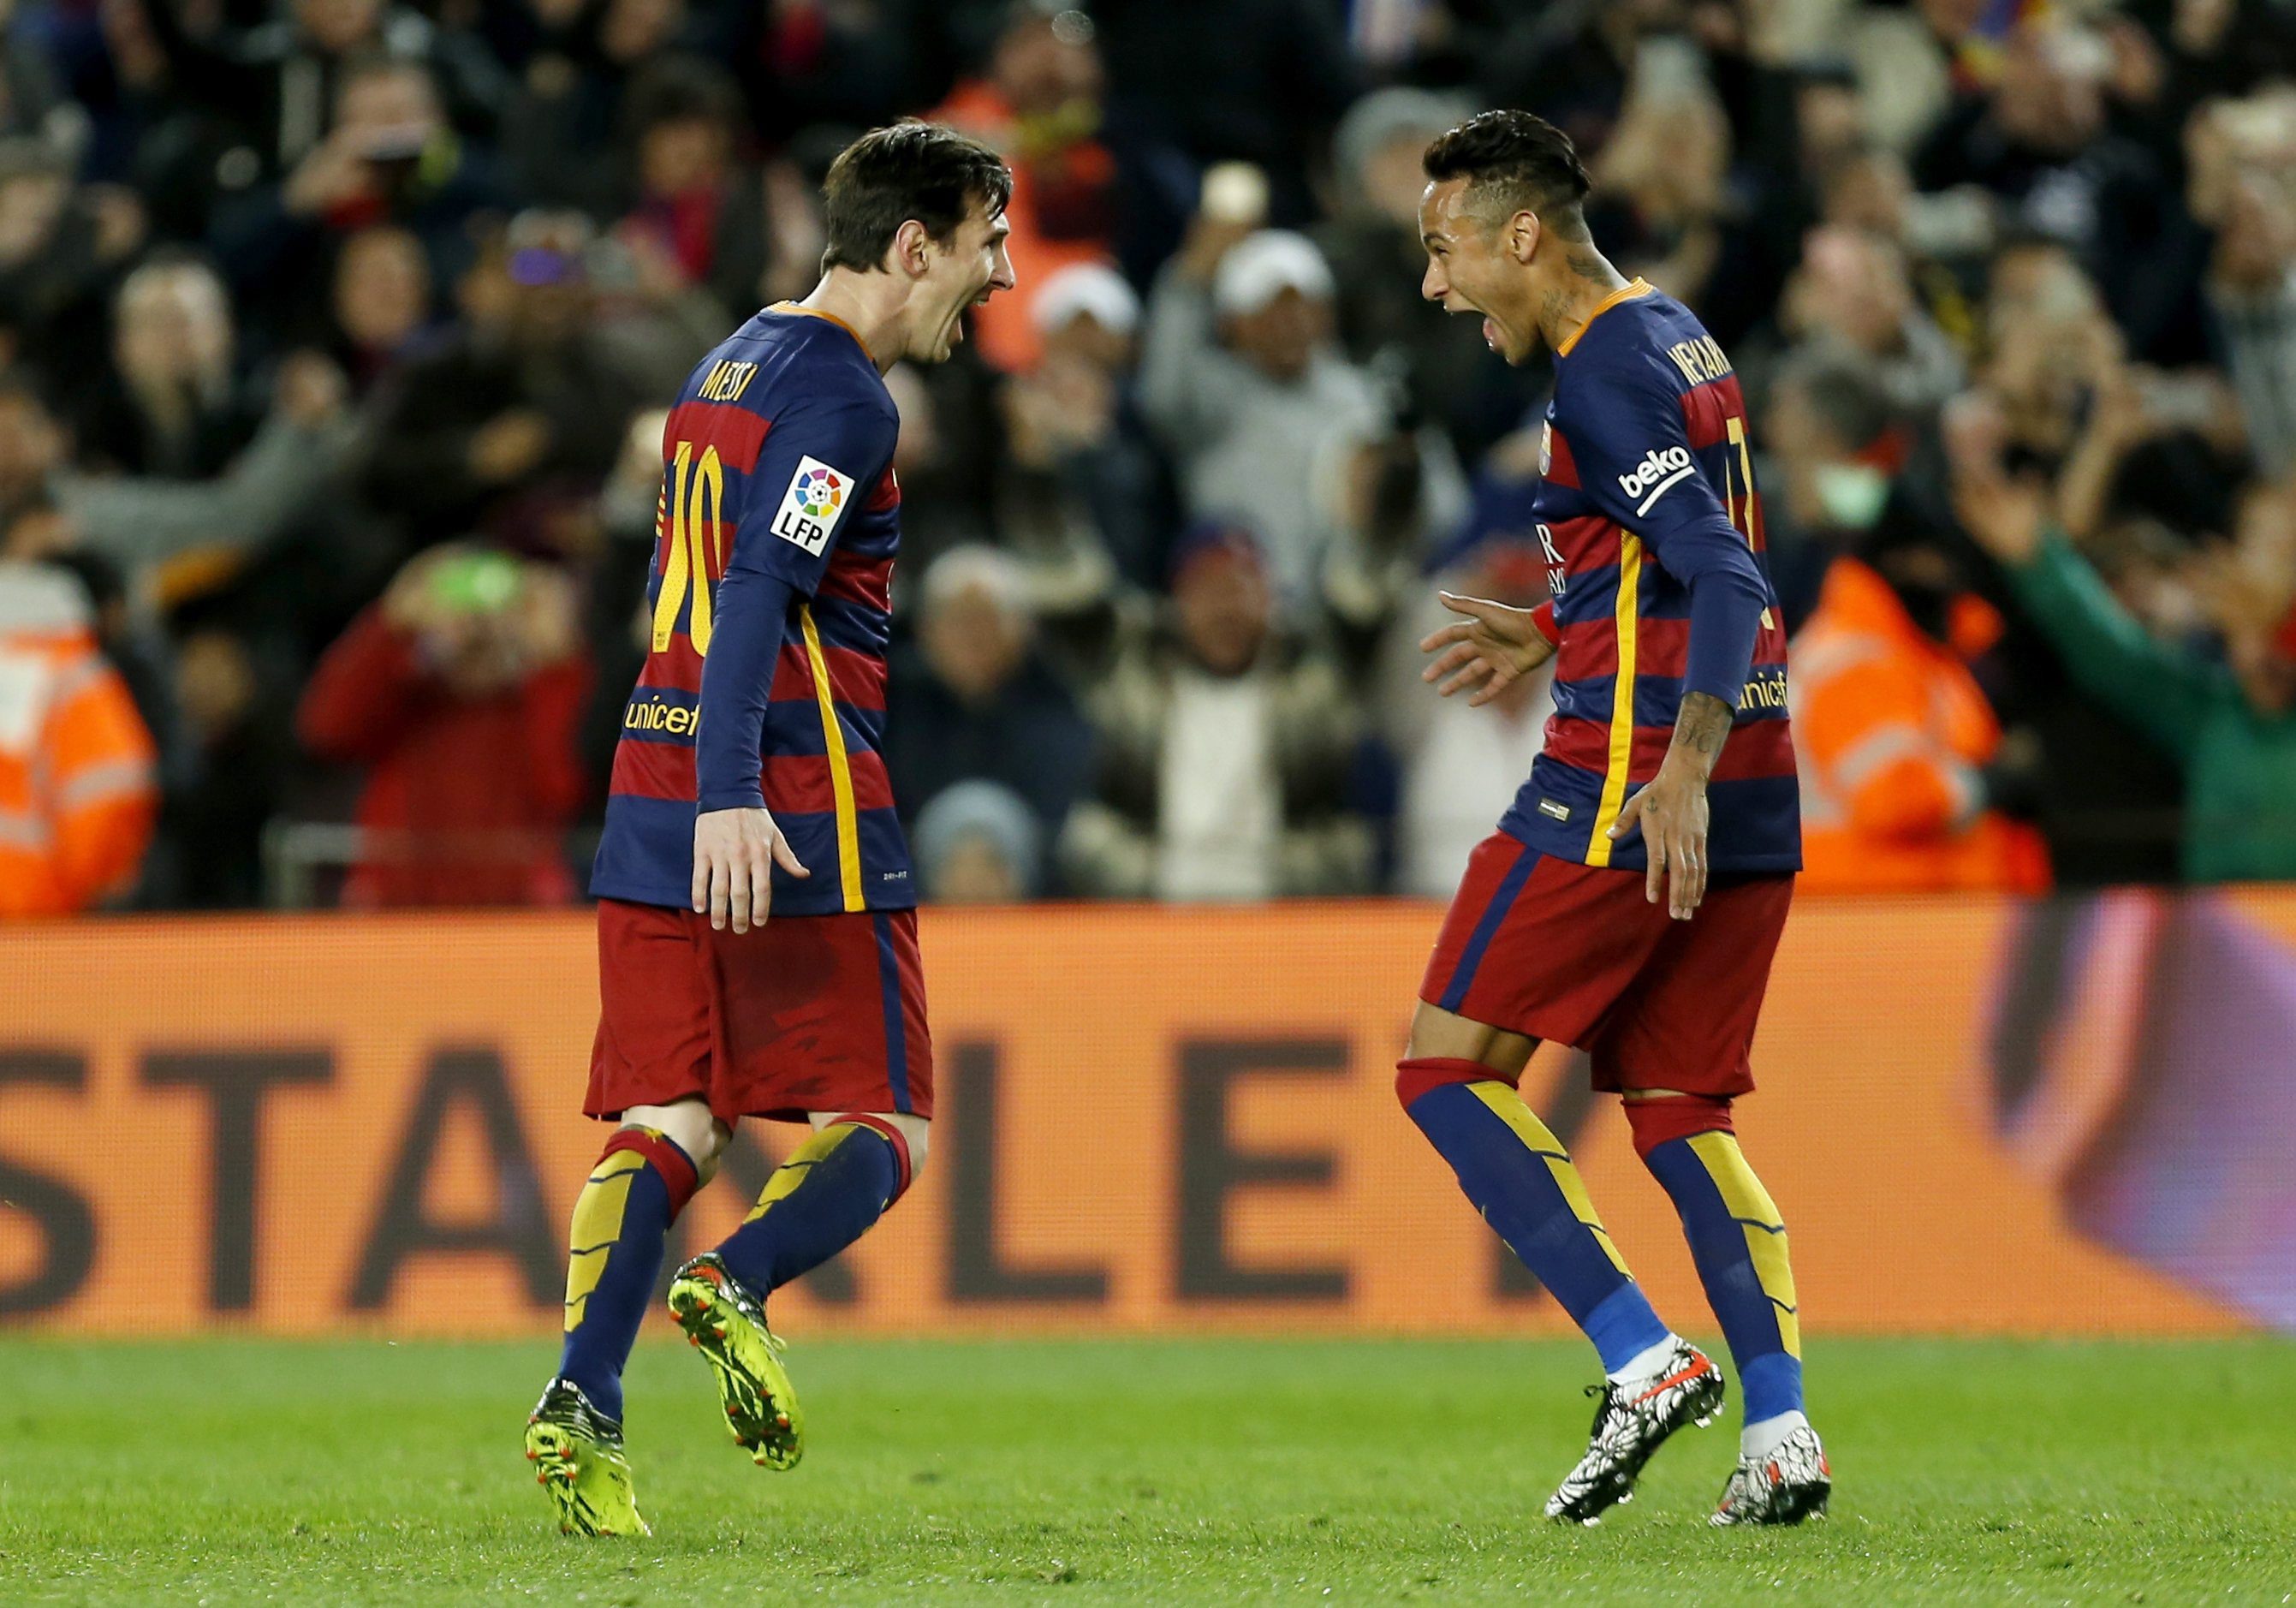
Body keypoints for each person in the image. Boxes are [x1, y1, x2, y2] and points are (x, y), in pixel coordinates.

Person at [526, 121, 1014, 1538]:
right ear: (913, 245)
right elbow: (758, 588)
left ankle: (582, 1400)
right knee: (888, 1118)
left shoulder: (730, 357)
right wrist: (736, 790)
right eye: (985, 242)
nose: (997, 275)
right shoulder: (849, 400)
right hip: (788, 801)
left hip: (651, 776)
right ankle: (732, 1280)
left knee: (672, 1116)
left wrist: (697, 781)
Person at [1404, 110, 1824, 1526]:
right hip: (1756, 773)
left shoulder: (1597, 376)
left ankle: (1640, 1355)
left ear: (1520, 233)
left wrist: (1678, 765)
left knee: (1444, 1068)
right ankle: (1779, 1430)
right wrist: (1561, 620)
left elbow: (1725, 574)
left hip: (1633, 784)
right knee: (1679, 1105)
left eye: (1445, 248)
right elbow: (1679, 552)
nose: (1436, 286)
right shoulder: (1673, 331)